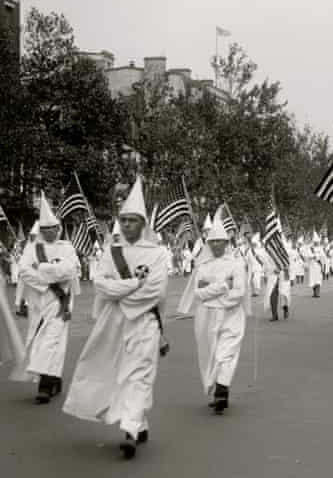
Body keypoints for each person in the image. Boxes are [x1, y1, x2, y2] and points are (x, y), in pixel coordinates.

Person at [63, 176, 171, 460]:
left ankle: (130, 431)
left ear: (143, 224)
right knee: (120, 372)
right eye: (123, 220)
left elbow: (155, 291)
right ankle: (139, 421)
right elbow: (100, 284)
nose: (127, 225)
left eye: (132, 221)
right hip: (114, 323)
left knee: (139, 374)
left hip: (145, 322)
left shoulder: (158, 254)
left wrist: (121, 292)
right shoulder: (112, 252)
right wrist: (133, 285)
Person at [177, 219, 249, 413]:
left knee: (226, 353)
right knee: (210, 354)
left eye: (220, 241)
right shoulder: (203, 266)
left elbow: (238, 293)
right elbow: (198, 293)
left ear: (226, 243)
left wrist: (212, 292)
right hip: (206, 317)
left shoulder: (236, 265)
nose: (216, 244)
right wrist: (223, 286)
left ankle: (221, 391)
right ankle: (218, 387)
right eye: (213, 241)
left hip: (231, 316)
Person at [17, 194, 80, 403]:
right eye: (45, 229)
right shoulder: (32, 249)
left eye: (53, 228)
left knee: (51, 340)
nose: (50, 232)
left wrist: (43, 268)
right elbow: (24, 271)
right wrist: (47, 280)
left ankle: (44, 386)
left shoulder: (67, 247)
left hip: (61, 302)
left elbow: (70, 270)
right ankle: (54, 378)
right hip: (39, 301)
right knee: (43, 341)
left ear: (58, 228)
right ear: (41, 231)